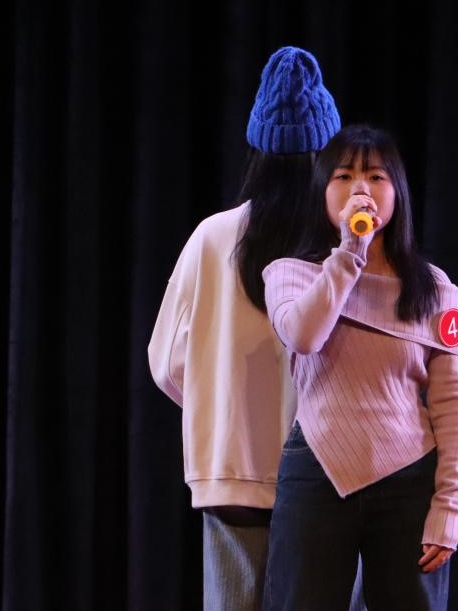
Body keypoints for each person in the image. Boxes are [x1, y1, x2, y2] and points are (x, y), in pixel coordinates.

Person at [148, 46, 341, 611]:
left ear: (257, 149)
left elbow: (166, 363)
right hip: (329, 475)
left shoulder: (212, 238)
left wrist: (221, 405)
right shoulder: (344, 246)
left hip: (231, 470)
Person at [261, 124, 458, 611]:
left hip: (410, 475)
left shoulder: (433, 288)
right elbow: (304, 336)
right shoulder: (291, 273)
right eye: (344, 176)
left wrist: (449, 505)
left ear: (398, 192)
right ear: (322, 191)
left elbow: (454, 402)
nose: (361, 188)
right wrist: (349, 253)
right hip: (316, 468)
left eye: (376, 176)